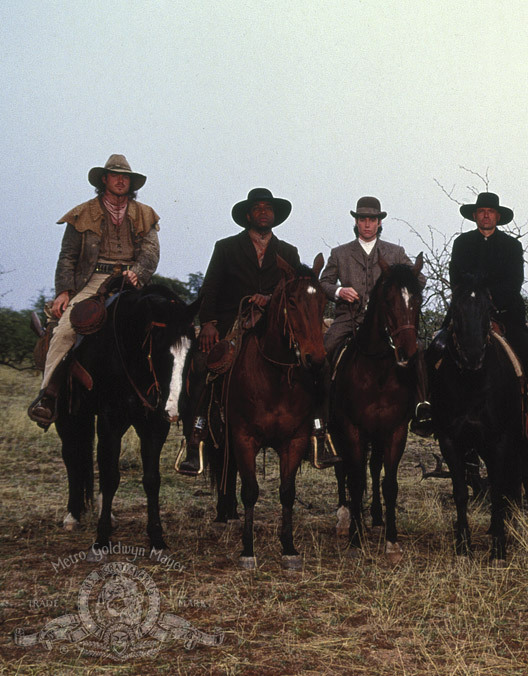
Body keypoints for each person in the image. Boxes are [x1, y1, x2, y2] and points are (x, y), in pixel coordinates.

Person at [176, 188, 337, 475]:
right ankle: (196, 435)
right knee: (203, 363)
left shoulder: (288, 251)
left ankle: (318, 433)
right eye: (258, 208)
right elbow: (210, 288)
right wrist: (209, 323)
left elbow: (293, 287)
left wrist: (271, 298)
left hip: (275, 321)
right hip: (232, 319)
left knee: (317, 364)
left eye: (268, 208)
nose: (264, 212)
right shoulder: (225, 247)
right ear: (248, 215)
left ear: (274, 216)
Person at [28, 154, 160, 426]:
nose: (121, 180)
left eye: (126, 177)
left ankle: (170, 400)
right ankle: (48, 395)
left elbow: (151, 251)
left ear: (132, 183)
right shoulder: (82, 213)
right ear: (105, 179)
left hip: (131, 279)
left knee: (166, 325)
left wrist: (138, 273)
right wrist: (64, 291)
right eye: (115, 175)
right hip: (93, 280)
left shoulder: (145, 214)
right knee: (65, 328)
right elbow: (67, 256)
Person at [444, 191, 528, 441]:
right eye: (481, 211)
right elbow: (456, 279)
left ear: (497, 216)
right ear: (475, 216)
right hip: (467, 312)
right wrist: (471, 300)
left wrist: (489, 299)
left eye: (490, 211)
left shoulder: (511, 246)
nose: (485, 215)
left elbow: (514, 281)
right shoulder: (462, 243)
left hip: (505, 313)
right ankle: (430, 410)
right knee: (437, 348)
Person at [319, 196, 431, 434]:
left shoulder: (395, 251)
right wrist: (340, 291)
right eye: (363, 219)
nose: (367, 224)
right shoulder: (339, 253)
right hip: (350, 318)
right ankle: (321, 415)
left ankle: (422, 405)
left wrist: (402, 278)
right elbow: (324, 282)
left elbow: (418, 279)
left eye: (372, 219)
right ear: (357, 222)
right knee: (325, 349)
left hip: (388, 323)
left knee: (417, 349)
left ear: (379, 223)